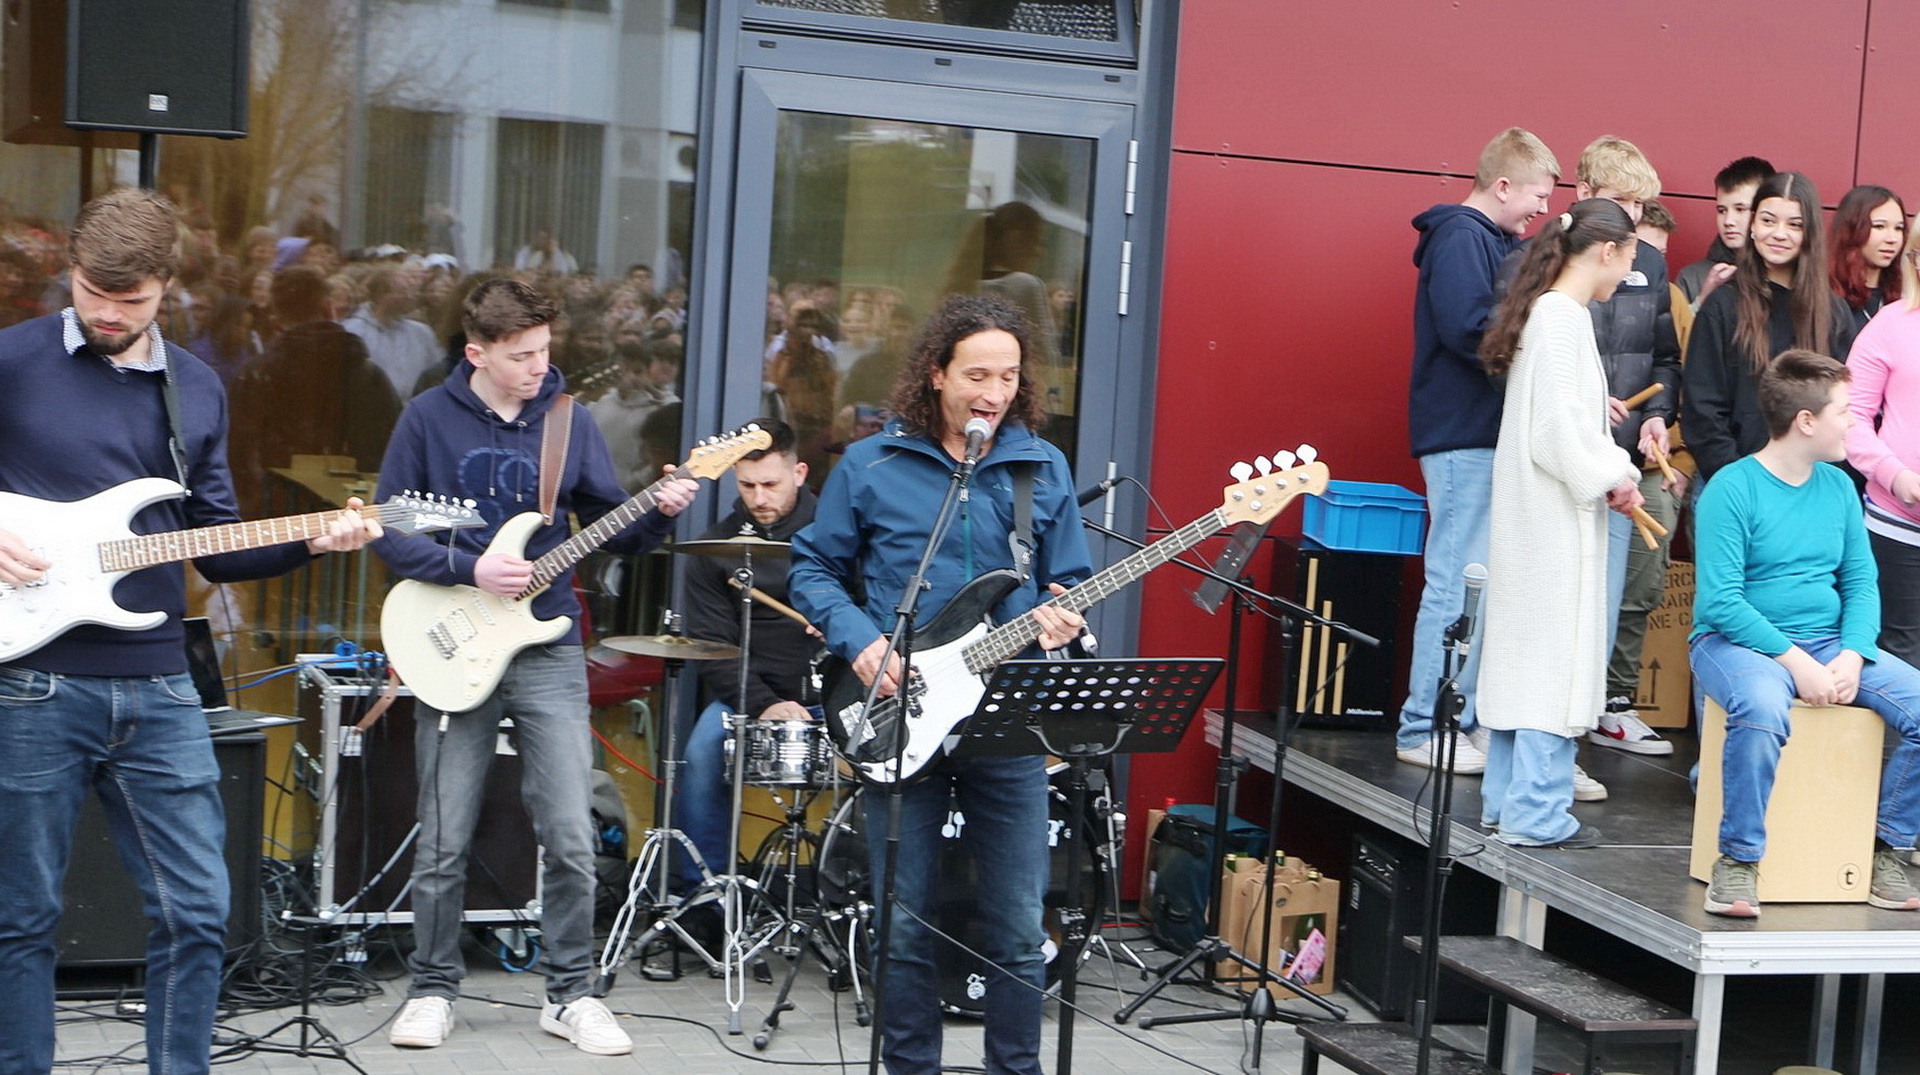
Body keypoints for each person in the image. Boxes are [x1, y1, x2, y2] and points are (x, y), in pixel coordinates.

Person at [0, 187, 382, 1075]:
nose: (104, 312)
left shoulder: (197, 387)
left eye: (127, 300)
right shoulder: (13, 360)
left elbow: (218, 547)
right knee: (19, 916)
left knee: (199, 910)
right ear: (72, 272)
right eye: (92, 291)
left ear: (166, 287)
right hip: (33, 681)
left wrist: (309, 542)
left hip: (160, 681)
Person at [372, 278, 700, 1055]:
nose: (537, 366)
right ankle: (431, 985)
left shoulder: (567, 421)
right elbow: (391, 527)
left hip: (549, 644)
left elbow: (608, 525)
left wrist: (655, 511)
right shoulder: (426, 419)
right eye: (520, 355)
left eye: (545, 350)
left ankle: (571, 991)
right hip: (455, 636)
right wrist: (468, 570)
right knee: (444, 831)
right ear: (477, 351)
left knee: (570, 828)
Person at [789, 294, 1091, 1075]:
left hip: (1007, 720)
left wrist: (1066, 614)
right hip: (897, 711)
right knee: (902, 919)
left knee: (1021, 925)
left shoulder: (1041, 466)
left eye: (1009, 376)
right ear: (936, 374)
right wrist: (860, 643)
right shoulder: (872, 464)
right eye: (977, 374)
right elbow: (812, 567)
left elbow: (1070, 582)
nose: (994, 391)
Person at [1692, 350, 1920, 917]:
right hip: (1738, 643)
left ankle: (1889, 848)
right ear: (1806, 422)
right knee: (1764, 706)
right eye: (1845, 410)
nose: (1854, 420)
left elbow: (1862, 582)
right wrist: (1798, 663)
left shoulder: (1840, 489)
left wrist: (1852, 651)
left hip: (1826, 642)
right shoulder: (1732, 487)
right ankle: (1738, 861)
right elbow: (1722, 602)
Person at [1476, 200, 1645, 849]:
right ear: (1607, 251)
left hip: (1537, 519)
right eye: (1629, 256)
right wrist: (1611, 475)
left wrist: (1607, 469)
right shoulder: (1562, 319)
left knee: (1524, 661)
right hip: (1551, 524)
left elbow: (1557, 425)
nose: (1629, 271)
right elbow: (1556, 432)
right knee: (1551, 661)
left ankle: (1505, 802)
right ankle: (1536, 810)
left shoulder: (1549, 314)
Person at [1398, 126, 1560, 773]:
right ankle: (1424, 724)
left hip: (1477, 436)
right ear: (1502, 185)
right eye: (1537, 196)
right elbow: (1471, 329)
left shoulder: (1481, 240)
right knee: (1455, 583)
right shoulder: (1463, 237)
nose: (1541, 210)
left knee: (1475, 584)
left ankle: (1455, 718)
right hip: (1464, 437)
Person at [678, 418, 818, 887]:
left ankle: (855, 895)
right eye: (747, 485)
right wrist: (766, 705)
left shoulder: (841, 534)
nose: (759, 498)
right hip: (749, 697)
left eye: (771, 484)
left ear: (799, 473)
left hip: (835, 693)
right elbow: (715, 650)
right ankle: (707, 894)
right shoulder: (717, 548)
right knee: (700, 753)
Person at [1682, 171, 1857, 487]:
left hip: (1810, 489)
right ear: (1752, 226)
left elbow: (1844, 407)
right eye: (1768, 220)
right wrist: (1742, 483)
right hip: (1735, 486)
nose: (1779, 233)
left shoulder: (1833, 313)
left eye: (1795, 224)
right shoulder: (1722, 305)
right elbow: (1703, 411)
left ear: (1811, 234)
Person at [1845, 227, 1920, 665]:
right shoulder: (1889, 325)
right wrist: (1897, 476)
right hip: (1897, 527)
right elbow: (1849, 416)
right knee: (1901, 661)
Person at [1676, 156, 1774, 311]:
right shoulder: (1692, 277)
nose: (1728, 221)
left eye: (1741, 209)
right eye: (1722, 210)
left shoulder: (1788, 275)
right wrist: (1702, 301)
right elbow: (1677, 334)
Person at [341, 262, 441, 399]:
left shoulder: (421, 333)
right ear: (383, 294)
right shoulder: (352, 331)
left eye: (411, 291)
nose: (410, 297)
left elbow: (436, 373)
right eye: (403, 292)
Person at [1829, 184, 1908, 335]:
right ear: (1852, 230)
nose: (1892, 238)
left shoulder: (1903, 298)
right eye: (1879, 226)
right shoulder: (1827, 296)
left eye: (1899, 228)